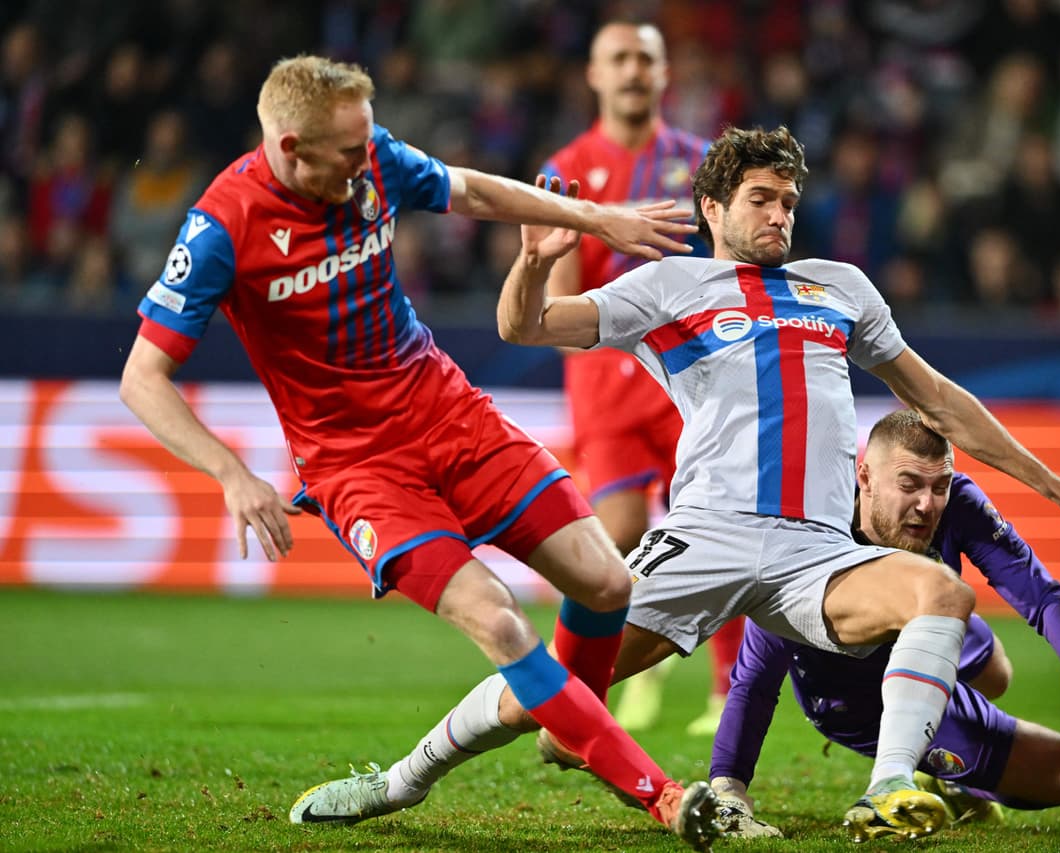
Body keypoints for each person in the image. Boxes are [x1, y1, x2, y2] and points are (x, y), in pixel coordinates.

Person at [336, 124, 1060, 844]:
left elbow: (938, 398)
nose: (779, 214)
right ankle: (401, 777)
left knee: (941, 593)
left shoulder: (841, 289)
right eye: (761, 198)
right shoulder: (670, 283)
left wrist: (1049, 481)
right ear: (713, 210)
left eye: (787, 200)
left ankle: (888, 786)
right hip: (707, 536)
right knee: (555, 688)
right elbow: (524, 328)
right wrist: (534, 263)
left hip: (816, 552)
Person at [117, 55, 722, 852]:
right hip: (356, 466)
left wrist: (594, 221)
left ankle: (566, 723)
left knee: (608, 580)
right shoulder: (222, 226)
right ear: (291, 147)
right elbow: (141, 377)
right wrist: (232, 473)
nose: (366, 159)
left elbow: (468, 189)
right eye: (346, 150)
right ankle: (660, 792)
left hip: (445, 409)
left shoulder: (368, 156)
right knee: (499, 622)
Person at [706, 409, 1060, 838]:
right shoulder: (809, 532)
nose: (928, 505)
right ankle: (933, 766)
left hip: (935, 629)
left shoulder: (957, 503)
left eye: (940, 485)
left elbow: (1043, 598)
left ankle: (946, 751)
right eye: (909, 484)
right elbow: (756, 681)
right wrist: (728, 785)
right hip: (855, 695)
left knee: (997, 672)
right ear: (865, 478)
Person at [539, 20, 743, 737]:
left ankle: (728, 688)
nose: (631, 71)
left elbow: (737, 276)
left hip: (696, 377)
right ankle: (587, 684)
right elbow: (557, 304)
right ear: (593, 75)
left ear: (664, 75)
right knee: (616, 534)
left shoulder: (707, 168)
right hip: (609, 384)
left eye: (644, 60)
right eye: (618, 59)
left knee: (723, 524)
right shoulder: (566, 171)